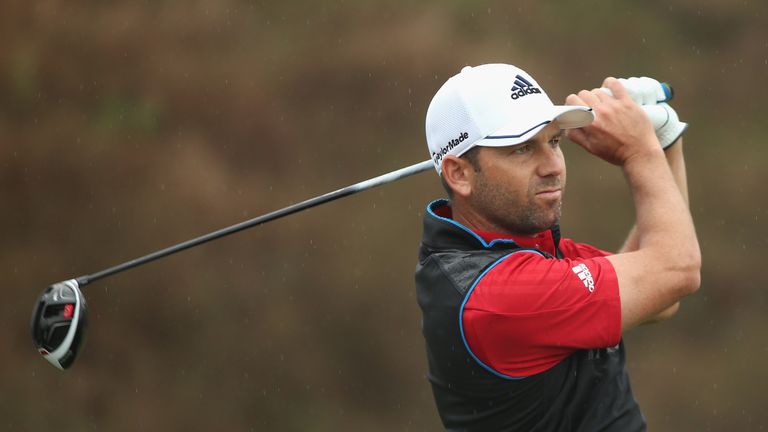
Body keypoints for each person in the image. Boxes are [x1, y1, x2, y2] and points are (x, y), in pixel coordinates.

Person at [415, 63, 701, 431]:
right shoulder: (498, 295)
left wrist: (663, 144)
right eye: (521, 149)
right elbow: (675, 270)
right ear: (459, 174)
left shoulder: (521, 254)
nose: (552, 166)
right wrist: (640, 153)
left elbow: (658, 291)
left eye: (553, 141)